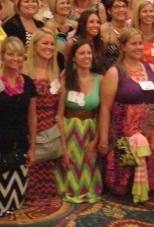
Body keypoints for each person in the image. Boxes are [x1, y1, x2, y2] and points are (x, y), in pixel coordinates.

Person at [98, 29, 154, 200]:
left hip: (150, 132)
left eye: (140, 43)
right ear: (123, 46)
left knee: (150, 184)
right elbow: (105, 108)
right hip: (124, 135)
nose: (138, 47)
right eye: (133, 44)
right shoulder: (114, 72)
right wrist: (104, 140)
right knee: (122, 187)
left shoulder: (152, 69)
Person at [0, 37, 37, 215]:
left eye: (19, 55)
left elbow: (32, 116)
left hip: (20, 143)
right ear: (2, 55)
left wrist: (32, 146)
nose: (15, 58)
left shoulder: (28, 82)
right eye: (10, 54)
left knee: (15, 200)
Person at [56, 40, 103, 203]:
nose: (86, 56)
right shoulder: (66, 79)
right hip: (69, 130)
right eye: (82, 53)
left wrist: (96, 141)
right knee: (69, 162)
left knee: (89, 161)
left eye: (89, 53)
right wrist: (63, 147)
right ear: (74, 58)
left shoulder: (100, 79)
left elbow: (102, 113)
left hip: (90, 129)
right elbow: (59, 114)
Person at [23, 28, 65, 205]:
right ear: (34, 45)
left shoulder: (55, 70)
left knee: (47, 164)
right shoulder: (25, 68)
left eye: (52, 44)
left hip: (50, 127)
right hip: (30, 124)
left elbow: (58, 107)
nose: (49, 47)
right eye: (45, 43)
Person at [100, 0, 130, 71]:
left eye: (124, 6)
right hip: (107, 71)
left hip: (129, 71)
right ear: (109, 11)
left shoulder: (131, 28)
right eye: (116, 7)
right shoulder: (103, 29)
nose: (121, 9)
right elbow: (99, 58)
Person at [49, 0, 77, 68]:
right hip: (54, 65)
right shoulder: (49, 26)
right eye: (62, 3)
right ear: (54, 5)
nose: (66, 6)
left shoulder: (75, 25)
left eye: (67, 3)